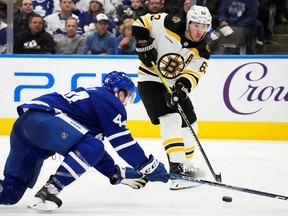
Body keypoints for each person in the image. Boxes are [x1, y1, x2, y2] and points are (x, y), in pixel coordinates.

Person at [0, 71, 169, 211]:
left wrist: (115, 173)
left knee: (10, 193)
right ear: (120, 93)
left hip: (25, 127)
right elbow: (122, 142)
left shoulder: (93, 104)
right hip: (44, 120)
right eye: (127, 98)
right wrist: (147, 165)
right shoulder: (110, 101)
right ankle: (49, 192)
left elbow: (93, 153)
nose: (125, 104)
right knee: (93, 145)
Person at [132, 5, 211, 190]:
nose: (199, 31)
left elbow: (193, 74)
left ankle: (185, 166)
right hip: (150, 80)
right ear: (188, 23)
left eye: (204, 26)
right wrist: (143, 41)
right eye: (196, 25)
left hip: (174, 85)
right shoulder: (169, 23)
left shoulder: (203, 49)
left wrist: (182, 90)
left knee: (191, 124)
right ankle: (177, 172)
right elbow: (140, 22)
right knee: (171, 119)